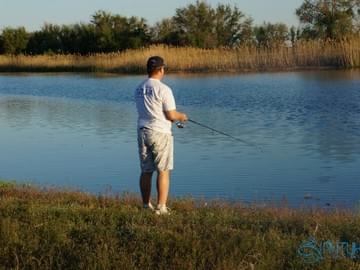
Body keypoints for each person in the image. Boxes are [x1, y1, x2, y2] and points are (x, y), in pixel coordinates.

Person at [135, 56, 188, 215]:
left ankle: (146, 205)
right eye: (163, 68)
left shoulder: (139, 88)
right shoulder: (164, 89)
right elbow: (171, 115)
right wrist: (182, 117)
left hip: (143, 131)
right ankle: (161, 207)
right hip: (160, 133)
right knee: (163, 170)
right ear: (160, 70)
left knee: (146, 170)